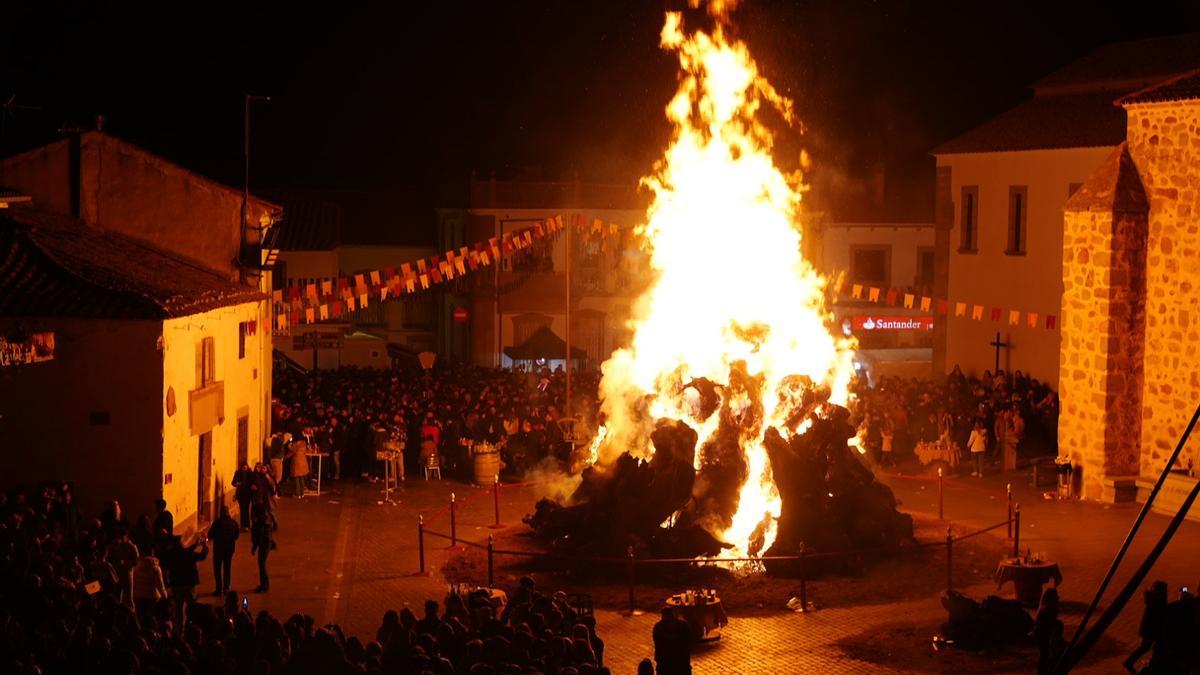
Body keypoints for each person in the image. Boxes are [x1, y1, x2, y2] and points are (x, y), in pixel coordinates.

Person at [1124, 580, 1168, 672]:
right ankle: (1130, 662)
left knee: (1146, 646)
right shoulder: (1157, 600)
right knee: (1152, 646)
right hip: (1152, 629)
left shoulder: (1153, 599)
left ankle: (1130, 662)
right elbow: (1162, 612)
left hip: (1150, 629)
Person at [207, 505, 240, 595]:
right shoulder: (233, 523)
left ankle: (219, 589)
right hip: (230, 549)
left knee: (217, 569)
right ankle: (226, 587)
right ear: (228, 512)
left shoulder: (217, 523)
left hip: (218, 549)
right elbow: (237, 535)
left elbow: (210, 535)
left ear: (220, 513)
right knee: (227, 568)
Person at [652, 606, 691, 675]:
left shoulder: (683, 626)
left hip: (679, 662)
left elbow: (687, 641)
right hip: (667, 662)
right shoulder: (658, 628)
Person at [131, 549, 167, 623]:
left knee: (140, 618)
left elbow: (133, 582)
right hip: (152, 597)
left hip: (138, 596)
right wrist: (164, 596)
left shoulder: (136, 567)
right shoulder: (156, 568)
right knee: (151, 618)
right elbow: (160, 584)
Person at [1033, 587, 1063, 675]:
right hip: (1042, 634)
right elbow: (1047, 624)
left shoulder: (1047, 608)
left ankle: (1043, 671)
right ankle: (1042, 672)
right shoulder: (1048, 609)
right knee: (1044, 654)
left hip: (1042, 633)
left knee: (1045, 654)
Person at [249, 503, 274, 592]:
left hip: (264, 543)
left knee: (262, 564)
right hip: (266, 542)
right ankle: (264, 584)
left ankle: (265, 585)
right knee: (262, 564)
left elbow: (259, 535)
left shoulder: (261, 522)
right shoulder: (266, 518)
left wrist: (254, 547)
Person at [232, 462, 256, 530]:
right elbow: (233, 482)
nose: (244, 469)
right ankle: (243, 525)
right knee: (242, 509)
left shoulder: (250, 473)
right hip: (240, 494)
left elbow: (253, 482)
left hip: (248, 494)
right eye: (243, 468)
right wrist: (237, 483)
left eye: (245, 467)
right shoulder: (237, 473)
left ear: (247, 467)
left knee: (246, 508)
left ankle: (246, 525)